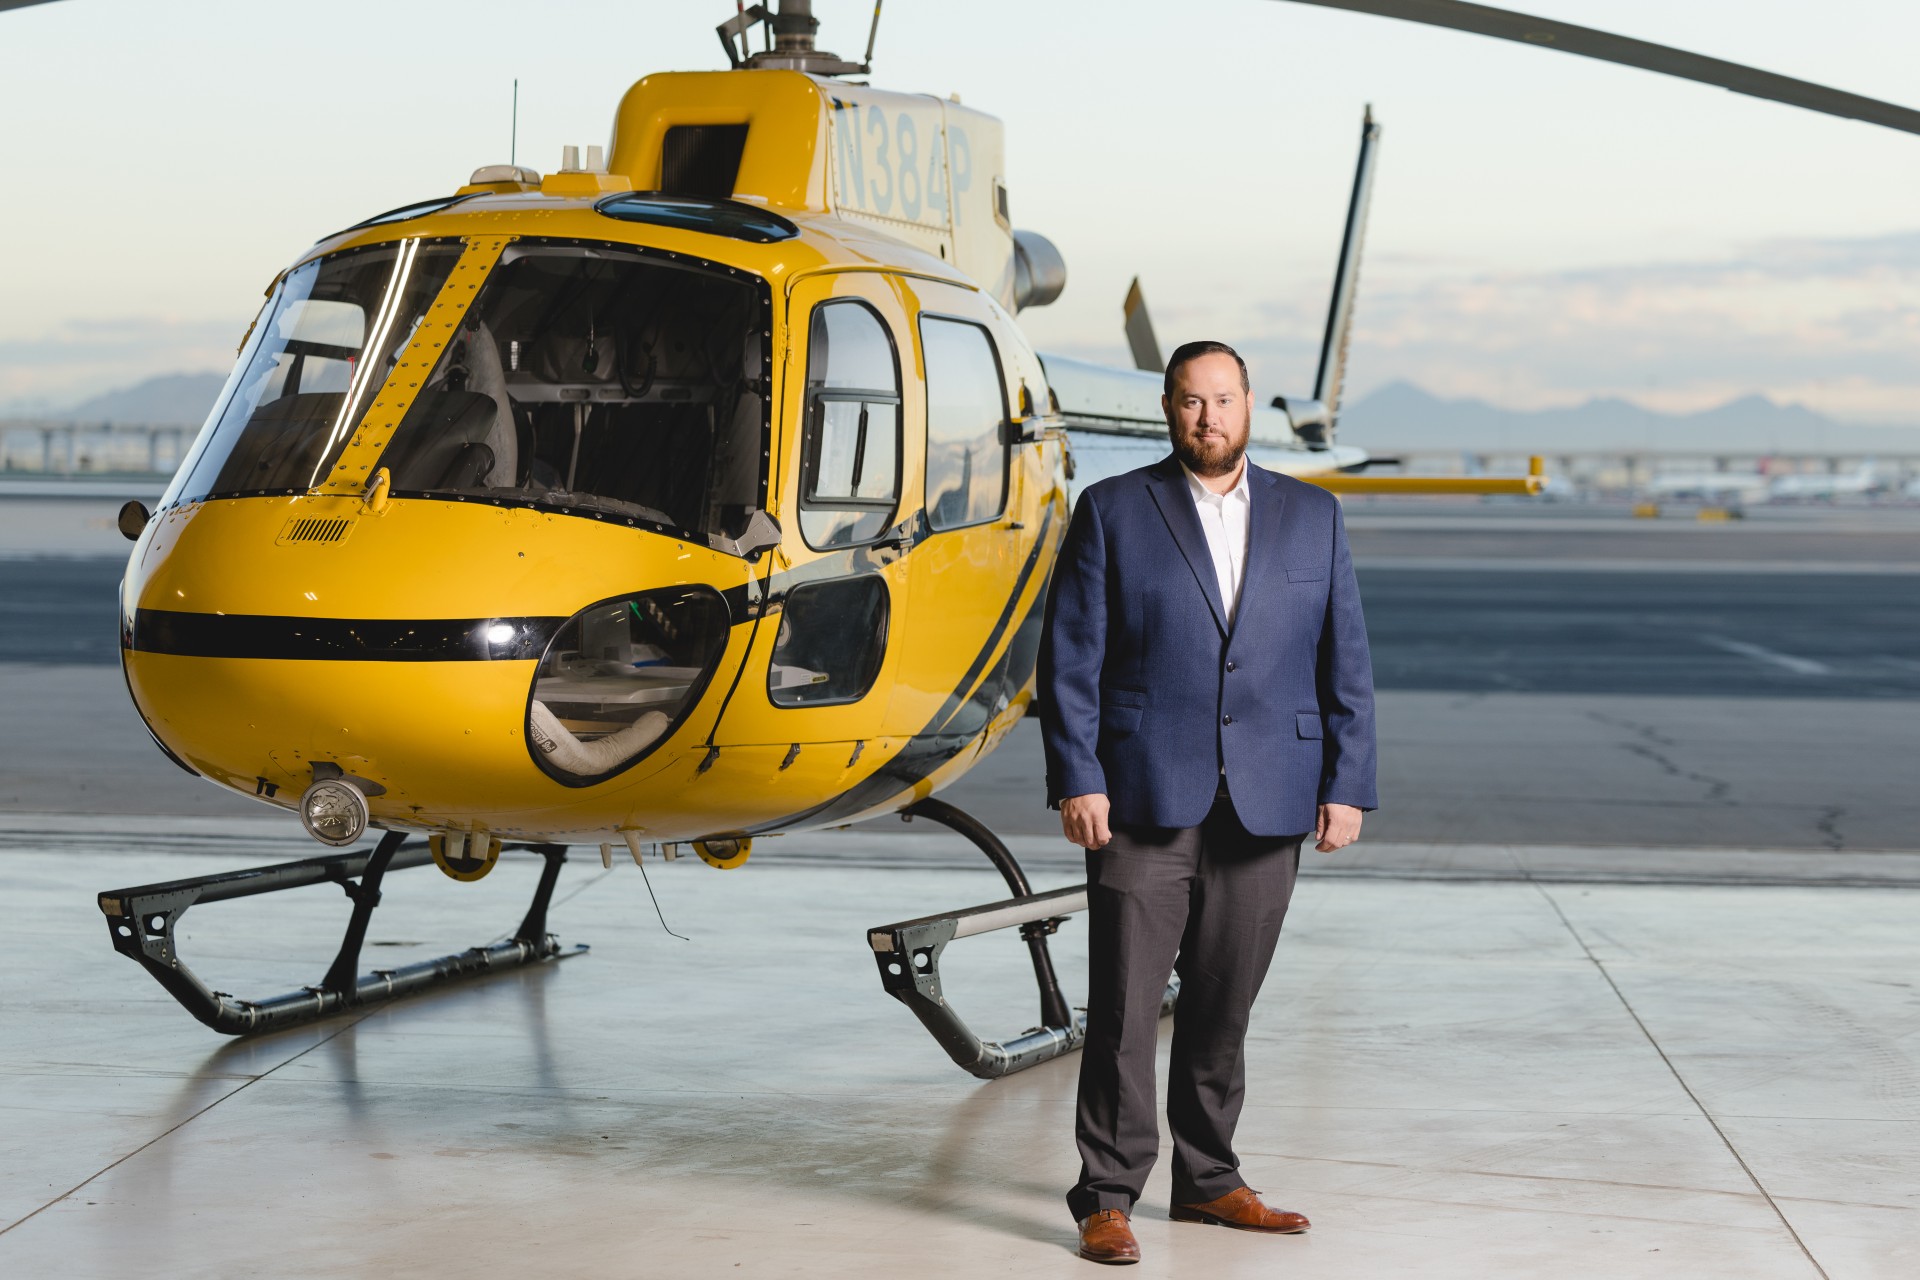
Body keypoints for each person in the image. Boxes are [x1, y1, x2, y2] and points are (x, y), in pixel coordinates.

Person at [1039, 340, 1377, 1265]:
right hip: (1143, 795)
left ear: (1249, 405)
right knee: (1122, 1008)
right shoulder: (1113, 511)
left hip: (1271, 799)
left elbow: (1345, 664)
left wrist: (1347, 785)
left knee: (1225, 1005)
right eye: (1191, 402)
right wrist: (1078, 773)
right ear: (1167, 408)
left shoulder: (1314, 517)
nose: (1208, 418)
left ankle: (1210, 1182)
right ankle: (1107, 1195)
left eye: (1223, 401)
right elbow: (1069, 659)